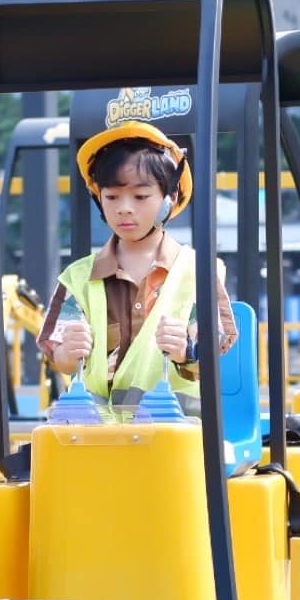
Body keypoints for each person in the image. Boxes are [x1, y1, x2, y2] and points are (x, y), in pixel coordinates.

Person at [38, 120, 238, 411]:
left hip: (176, 434)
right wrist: (68, 353)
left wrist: (186, 352)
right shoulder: (77, 278)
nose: (124, 208)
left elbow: (217, 353)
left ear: (170, 199)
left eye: (141, 196)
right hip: (98, 439)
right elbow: (59, 357)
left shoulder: (199, 272)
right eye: (112, 197)